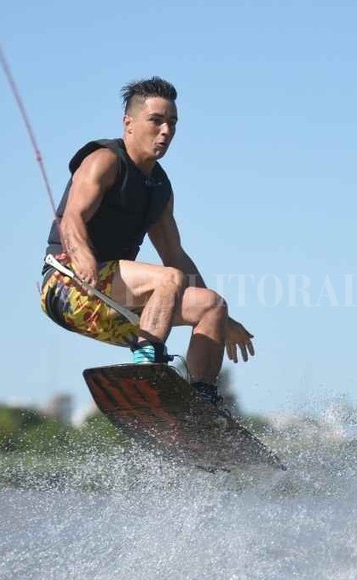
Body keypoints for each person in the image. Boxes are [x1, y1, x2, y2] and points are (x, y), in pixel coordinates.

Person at [40, 77, 254, 404]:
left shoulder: (159, 187)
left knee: (212, 305)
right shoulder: (105, 160)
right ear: (129, 123)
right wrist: (83, 257)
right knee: (169, 279)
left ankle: (203, 406)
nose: (166, 130)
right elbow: (72, 217)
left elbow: (174, 253)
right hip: (68, 286)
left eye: (172, 123)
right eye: (156, 121)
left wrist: (226, 322)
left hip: (117, 299)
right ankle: (147, 368)